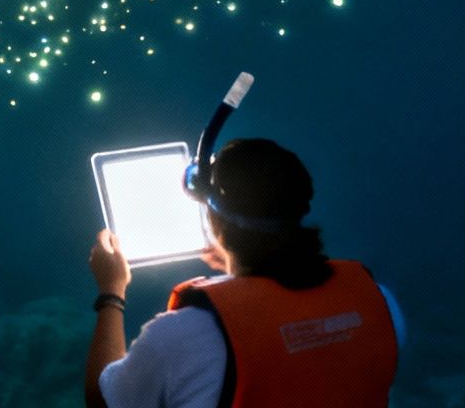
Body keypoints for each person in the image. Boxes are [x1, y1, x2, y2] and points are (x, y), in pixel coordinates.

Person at [85, 139, 406, 408]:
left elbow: (103, 400)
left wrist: (111, 291)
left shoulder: (181, 336)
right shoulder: (379, 303)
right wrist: (236, 272)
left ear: (214, 221)